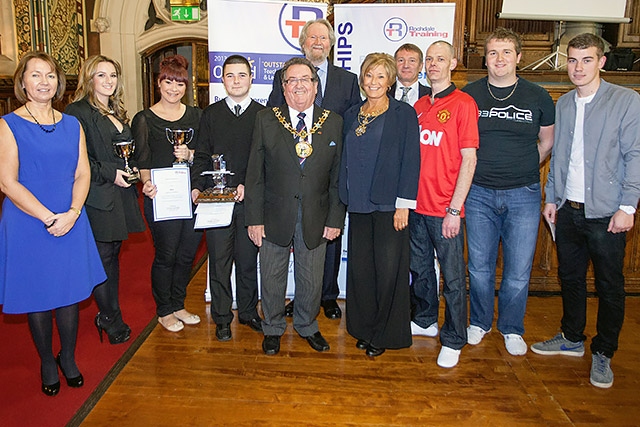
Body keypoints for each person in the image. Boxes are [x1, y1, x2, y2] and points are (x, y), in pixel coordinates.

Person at [530, 33, 640, 389]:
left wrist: (628, 206)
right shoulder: (563, 104)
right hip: (567, 210)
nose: (578, 68)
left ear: (602, 62)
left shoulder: (626, 101)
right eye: (573, 60)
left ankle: (604, 352)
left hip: (608, 212)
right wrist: (551, 199)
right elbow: (560, 157)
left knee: (610, 286)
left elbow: (636, 155)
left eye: (586, 60)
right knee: (571, 279)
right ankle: (571, 337)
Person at [0, 52, 106, 396]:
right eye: (36, 75)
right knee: (38, 295)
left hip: (70, 217)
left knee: (70, 292)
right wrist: (48, 217)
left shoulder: (72, 124)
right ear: (23, 82)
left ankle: (68, 356)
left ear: (59, 82)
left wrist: (73, 213)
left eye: (50, 75)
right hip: (28, 221)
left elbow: (83, 172)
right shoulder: (8, 125)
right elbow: (7, 182)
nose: (44, 82)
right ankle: (47, 360)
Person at [461, 27, 555, 356]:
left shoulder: (538, 96)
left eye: (506, 53)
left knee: (517, 270)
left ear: (518, 57)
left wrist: (523, 165)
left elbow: (546, 142)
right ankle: (480, 322)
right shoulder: (469, 94)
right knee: (479, 266)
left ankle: (512, 328)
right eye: (492, 53)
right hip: (478, 194)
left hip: (524, 193)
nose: (499, 59)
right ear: (485, 58)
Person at [246, 57, 344, 355]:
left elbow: (338, 176)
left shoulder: (334, 122)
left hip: (317, 213)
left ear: (316, 87)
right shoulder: (266, 119)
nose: (299, 85)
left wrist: (335, 219)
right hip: (274, 212)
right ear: (283, 87)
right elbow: (255, 173)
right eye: (291, 80)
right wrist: (254, 219)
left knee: (312, 277)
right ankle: (273, 326)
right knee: (272, 274)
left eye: (306, 79)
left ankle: (306, 325)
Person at [268, 19, 361, 320]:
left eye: (323, 37)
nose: (318, 42)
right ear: (303, 43)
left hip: (327, 172)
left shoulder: (347, 80)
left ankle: (328, 296)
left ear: (331, 44)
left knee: (327, 240)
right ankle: (301, 298)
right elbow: (273, 114)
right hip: (291, 174)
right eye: (312, 37)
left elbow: (353, 124)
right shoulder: (285, 77)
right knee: (296, 244)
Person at [339, 52, 420, 357]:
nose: (373, 82)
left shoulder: (403, 114)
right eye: (369, 75)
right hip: (358, 204)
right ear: (362, 79)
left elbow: (412, 160)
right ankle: (364, 327)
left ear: (390, 81)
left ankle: (386, 333)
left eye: (381, 76)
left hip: (390, 206)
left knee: (389, 272)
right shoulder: (351, 114)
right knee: (362, 271)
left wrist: (404, 205)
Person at [66, 55, 146, 344]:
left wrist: (131, 167)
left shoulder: (115, 110)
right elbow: (78, 159)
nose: (108, 81)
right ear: (89, 78)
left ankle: (109, 312)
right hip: (97, 195)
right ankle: (110, 318)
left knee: (112, 257)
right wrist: (111, 173)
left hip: (119, 195)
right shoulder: (77, 112)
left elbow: (121, 151)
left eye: (112, 75)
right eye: (101, 75)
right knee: (103, 259)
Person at [410, 41, 479, 368]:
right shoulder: (419, 105)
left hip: (445, 209)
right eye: (430, 59)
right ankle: (425, 320)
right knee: (420, 270)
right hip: (416, 206)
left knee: (452, 278)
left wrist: (455, 209)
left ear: (453, 63)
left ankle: (453, 338)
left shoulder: (464, 103)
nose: (433, 64)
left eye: (440, 58)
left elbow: (469, 159)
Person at [191, 55, 265, 341]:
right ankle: (222, 316)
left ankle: (247, 312)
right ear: (223, 79)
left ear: (250, 78)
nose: (236, 80)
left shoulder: (263, 114)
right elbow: (200, 155)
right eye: (230, 75)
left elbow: (266, 159)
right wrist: (197, 186)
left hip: (249, 203)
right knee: (219, 262)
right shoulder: (210, 115)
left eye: (242, 75)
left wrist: (250, 185)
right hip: (216, 202)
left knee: (247, 261)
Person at [131, 54, 203, 333]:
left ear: (187, 87)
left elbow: (206, 154)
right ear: (159, 83)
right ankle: (164, 310)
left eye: (180, 84)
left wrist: (191, 153)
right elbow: (142, 159)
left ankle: (178, 304)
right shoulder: (144, 119)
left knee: (187, 254)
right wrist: (146, 183)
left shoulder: (197, 115)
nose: (174, 88)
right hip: (161, 196)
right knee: (166, 254)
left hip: (192, 195)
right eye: (168, 82)